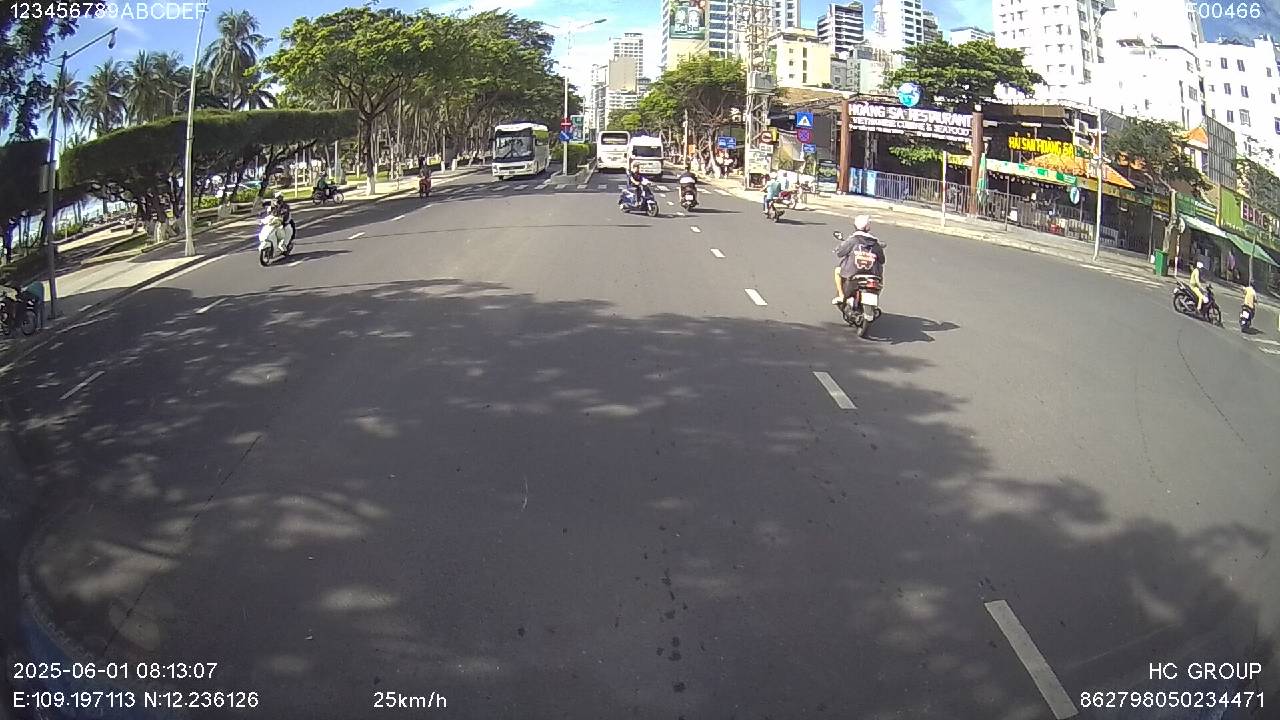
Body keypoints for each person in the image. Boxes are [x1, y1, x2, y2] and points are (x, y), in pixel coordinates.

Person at [833, 215, 885, 305]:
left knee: (837, 271)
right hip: (872, 274)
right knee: (880, 276)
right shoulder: (875, 243)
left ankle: (841, 296)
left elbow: (840, 253)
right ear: (868, 227)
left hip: (852, 273)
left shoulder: (852, 240)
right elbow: (882, 260)